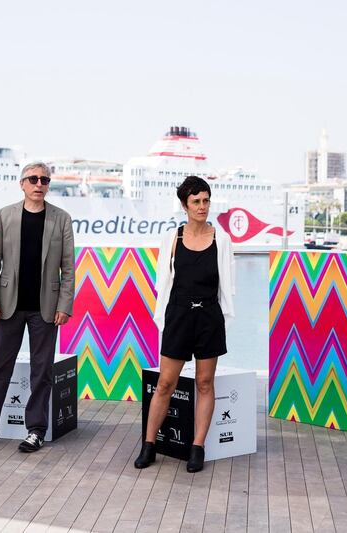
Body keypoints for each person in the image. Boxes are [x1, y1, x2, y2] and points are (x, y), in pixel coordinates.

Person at [0, 162, 75, 453]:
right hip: (7, 306)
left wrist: (65, 304)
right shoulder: (5, 216)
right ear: (22, 183)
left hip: (46, 308)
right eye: (34, 179)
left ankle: (36, 430)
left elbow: (68, 267)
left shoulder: (61, 219)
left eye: (45, 180)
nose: (40, 184)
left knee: (42, 371)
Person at [134, 175, 235, 473]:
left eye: (206, 200)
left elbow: (228, 285)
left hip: (208, 317)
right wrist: (163, 317)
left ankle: (197, 447)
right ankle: (149, 445)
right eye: (196, 201)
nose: (202, 206)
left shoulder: (222, 239)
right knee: (165, 383)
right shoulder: (172, 239)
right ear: (184, 205)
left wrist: (223, 318)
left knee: (205, 383)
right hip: (178, 315)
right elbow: (162, 283)